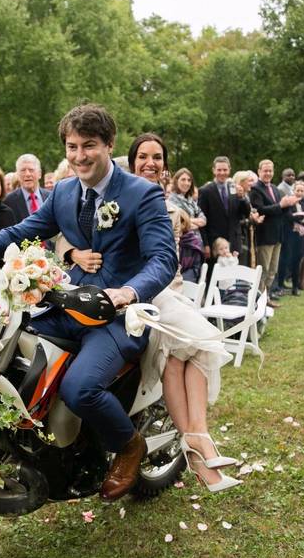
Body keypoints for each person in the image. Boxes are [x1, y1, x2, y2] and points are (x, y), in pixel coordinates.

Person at [0, 104, 178, 501]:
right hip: (67, 303)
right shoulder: (64, 191)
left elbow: (163, 259)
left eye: (89, 146)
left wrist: (126, 292)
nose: (79, 156)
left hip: (116, 317)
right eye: (71, 146)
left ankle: (129, 444)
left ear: (109, 145)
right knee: (5, 349)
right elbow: (21, 230)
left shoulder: (142, 194)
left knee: (80, 387)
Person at [59, 130, 239, 493]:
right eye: (143, 157)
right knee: (178, 351)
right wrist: (71, 254)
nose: (150, 163)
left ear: (166, 167)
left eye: (157, 158)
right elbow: (69, 231)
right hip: (127, 292)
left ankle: (197, 437)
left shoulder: (169, 202)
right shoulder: (111, 192)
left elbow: (166, 257)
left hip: (161, 289)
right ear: (129, 160)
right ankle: (195, 443)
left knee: (197, 346)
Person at [250, 160, 291, 304]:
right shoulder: (255, 189)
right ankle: (258, 301)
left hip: (278, 235)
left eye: (270, 171)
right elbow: (260, 210)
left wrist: (287, 204)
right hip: (265, 236)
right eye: (265, 171)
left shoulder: (274, 188)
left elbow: (280, 209)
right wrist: (280, 205)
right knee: (264, 270)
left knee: (273, 270)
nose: (268, 173)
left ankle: (265, 298)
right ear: (259, 171)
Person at [198, 156, 251, 267]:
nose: (222, 173)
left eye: (225, 170)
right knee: (215, 279)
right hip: (216, 244)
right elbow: (202, 219)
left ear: (229, 170)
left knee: (233, 278)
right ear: (213, 170)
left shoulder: (235, 188)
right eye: (219, 170)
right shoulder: (205, 191)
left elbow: (246, 213)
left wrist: (242, 198)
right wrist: (206, 244)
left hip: (234, 241)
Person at [168, 168, 206, 282]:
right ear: (176, 181)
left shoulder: (191, 200)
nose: (186, 183)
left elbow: (204, 219)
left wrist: (189, 220)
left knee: (196, 276)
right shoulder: (171, 200)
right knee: (184, 278)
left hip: (196, 243)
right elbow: (179, 221)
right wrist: (192, 221)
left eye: (189, 180)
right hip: (183, 244)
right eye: (183, 179)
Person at [280, 181, 304, 296]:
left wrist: (302, 218)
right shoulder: (289, 203)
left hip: (300, 236)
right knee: (286, 260)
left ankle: (295, 287)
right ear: (293, 191)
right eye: (297, 190)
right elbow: (288, 217)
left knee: (297, 260)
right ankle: (280, 285)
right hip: (289, 235)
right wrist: (301, 217)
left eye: (301, 191)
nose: (299, 192)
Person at [4, 154, 50, 223]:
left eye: (31, 170)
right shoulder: (8, 201)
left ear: (40, 174)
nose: (27, 174)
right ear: (17, 175)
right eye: (23, 170)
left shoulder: (50, 197)